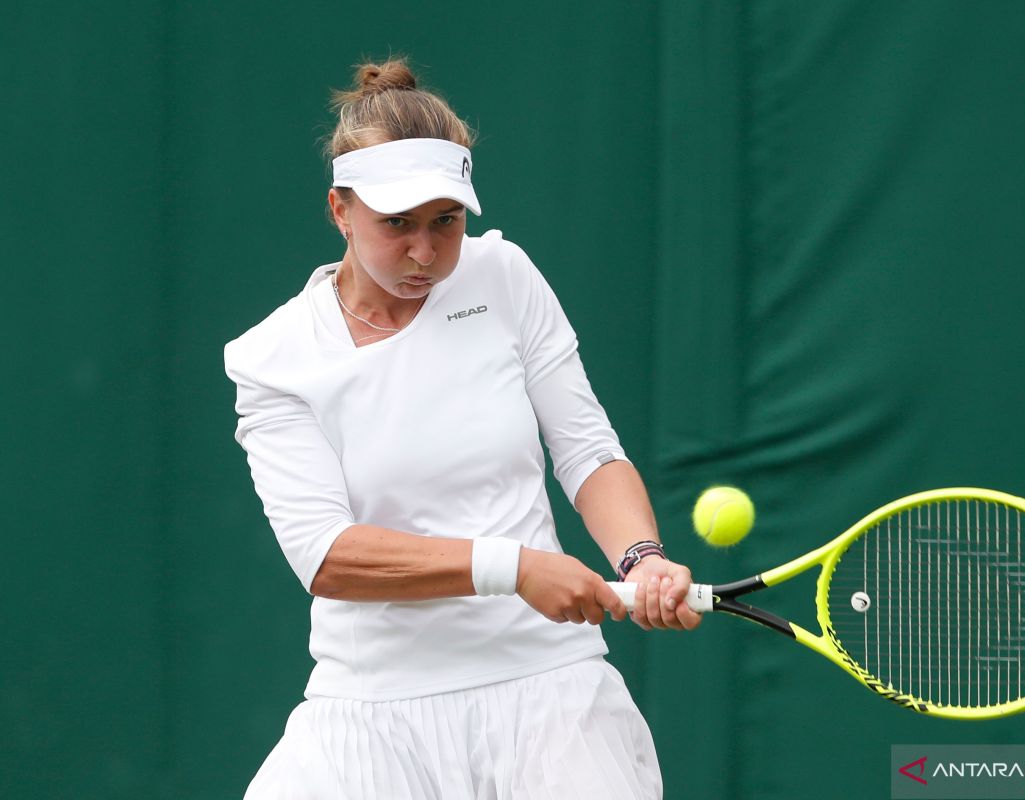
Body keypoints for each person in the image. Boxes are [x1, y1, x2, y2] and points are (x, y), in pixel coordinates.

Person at [224, 57, 700, 800]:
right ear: (340, 211)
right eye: (397, 225)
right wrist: (514, 567)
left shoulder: (503, 276)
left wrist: (642, 558)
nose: (425, 252)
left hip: (551, 693)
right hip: (371, 714)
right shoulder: (272, 359)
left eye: (445, 221)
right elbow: (326, 556)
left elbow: (586, 448)